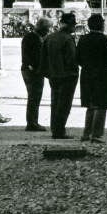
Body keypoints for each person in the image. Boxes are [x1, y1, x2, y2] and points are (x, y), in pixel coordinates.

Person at [76, 14, 107, 144]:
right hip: (101, 75)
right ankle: (96, 134)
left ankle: (86, 133)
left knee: (90, 104)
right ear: (101, 25)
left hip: (87, 74)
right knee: (101, 104)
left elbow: (77, 59)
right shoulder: (104, 40)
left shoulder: (83, 39)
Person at [39, 12, 79, 140]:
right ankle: (59, 131)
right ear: (69, 25)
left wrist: (48, 73)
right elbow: (71, 59)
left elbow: (42, 59)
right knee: (64, 104)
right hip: (68, 76)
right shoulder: (68, 39)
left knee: (55, 102)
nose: (74, 27)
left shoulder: (49, 38)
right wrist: (74, 72)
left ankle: (55, 129)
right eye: (73, 25)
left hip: (53, 75)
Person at [21, 17, 52, 132]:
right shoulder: (33, 38)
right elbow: (34, 58)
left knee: (34, 96)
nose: (48, 32)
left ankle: (32, 121)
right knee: (34, 96)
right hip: (33, 71)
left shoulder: (31, 37)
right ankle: (32, 123)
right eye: (47, 29)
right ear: (42, 29)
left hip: (30, 70)